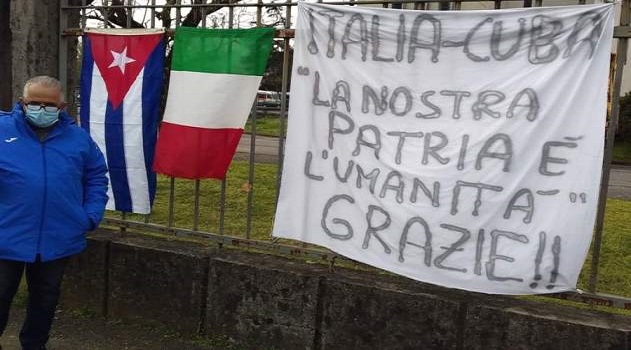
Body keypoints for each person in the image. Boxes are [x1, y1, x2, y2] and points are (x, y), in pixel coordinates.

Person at [0, 76, 108, 350]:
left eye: (49, 104)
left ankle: (34, 345)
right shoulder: (2, 130)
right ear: (23, 103)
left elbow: (96, 175)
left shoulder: (78, 138)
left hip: (58, 236)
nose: (41, 108)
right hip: (6, 234)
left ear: (61, 105)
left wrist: (90, 215)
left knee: (46, 298)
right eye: (34, 103)